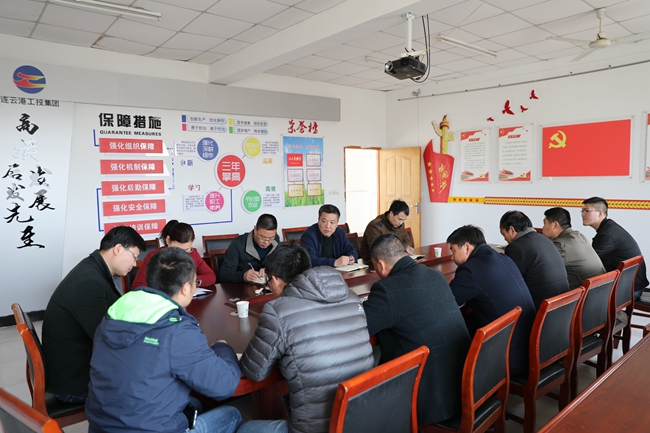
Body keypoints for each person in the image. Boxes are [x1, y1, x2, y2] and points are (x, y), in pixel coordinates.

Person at [86, 247, 242, 433]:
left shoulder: (113, 315)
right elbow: (224, 385)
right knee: (232, 414)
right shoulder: (177, 330)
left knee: (193, 403)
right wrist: (222, 348)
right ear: (185, 288)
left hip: (100, 427)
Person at [239, 243, 374, 433]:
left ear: (275, 280)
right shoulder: (351, 297)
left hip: (317, 428)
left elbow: (255, 372)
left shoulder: (277, 311)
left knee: (242, 428)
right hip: (363, 418)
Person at [363, 234, 470, 424]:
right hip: (463, 387)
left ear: (380, 264)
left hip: (431, 399)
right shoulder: (435, 275)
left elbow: (363, 326)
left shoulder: (386, 289)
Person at [41, 226, 146, 403]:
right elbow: (107, 338)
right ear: (118, 249)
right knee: (149, 384)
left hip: (77, 365)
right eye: (134, 257)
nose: (134, 264)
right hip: (75, 383)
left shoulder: (93, 268)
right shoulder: (88, 281)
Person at [447, 225, 535, 375]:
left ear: (466, 247)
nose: (452, 257)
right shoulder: (503, 257)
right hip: (527, 348)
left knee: (451, 330)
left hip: (507, 356)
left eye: (453, 251)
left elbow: (448, 302)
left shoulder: (471, 269)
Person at [499, 210, 570, 309]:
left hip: (540, 308)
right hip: (561, 306)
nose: (505, 239)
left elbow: (509, 283)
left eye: (503, 234)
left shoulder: (517, 248)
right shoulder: (545, 239)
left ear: (511, 229)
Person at [582, 197, 649, 299]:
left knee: (579, 294)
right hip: (633, 285)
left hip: (629, 290)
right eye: (582, 211)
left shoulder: (607, 234)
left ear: (600, 213)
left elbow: (590, 261)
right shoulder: (609, 227)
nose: (583, 214)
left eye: (587, 211)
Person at [131, 220, 215, 289]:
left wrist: (192, 282)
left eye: (187, 250)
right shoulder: (154, 257)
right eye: (177, 249)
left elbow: (211, 276)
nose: (182, 254)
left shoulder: (193, 253)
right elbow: (137, 286)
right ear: (168, 240)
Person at [543, 207, 605, 289]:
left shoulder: (560, 244)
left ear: (555, 225)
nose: (543, 228)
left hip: (583, 293)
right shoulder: (579, 235)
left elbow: (544, 269)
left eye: (545, 223)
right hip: (600, 287)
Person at [219, 214, 280, 283]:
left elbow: (282, 266)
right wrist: (243, 276)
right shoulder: (238, 244)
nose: (266, 242)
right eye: (262, 238)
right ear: (255, 229)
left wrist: (270, 270)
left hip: (267, 287)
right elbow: (223, 274)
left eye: (271, 238)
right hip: (242, 287)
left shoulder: (276, 241)